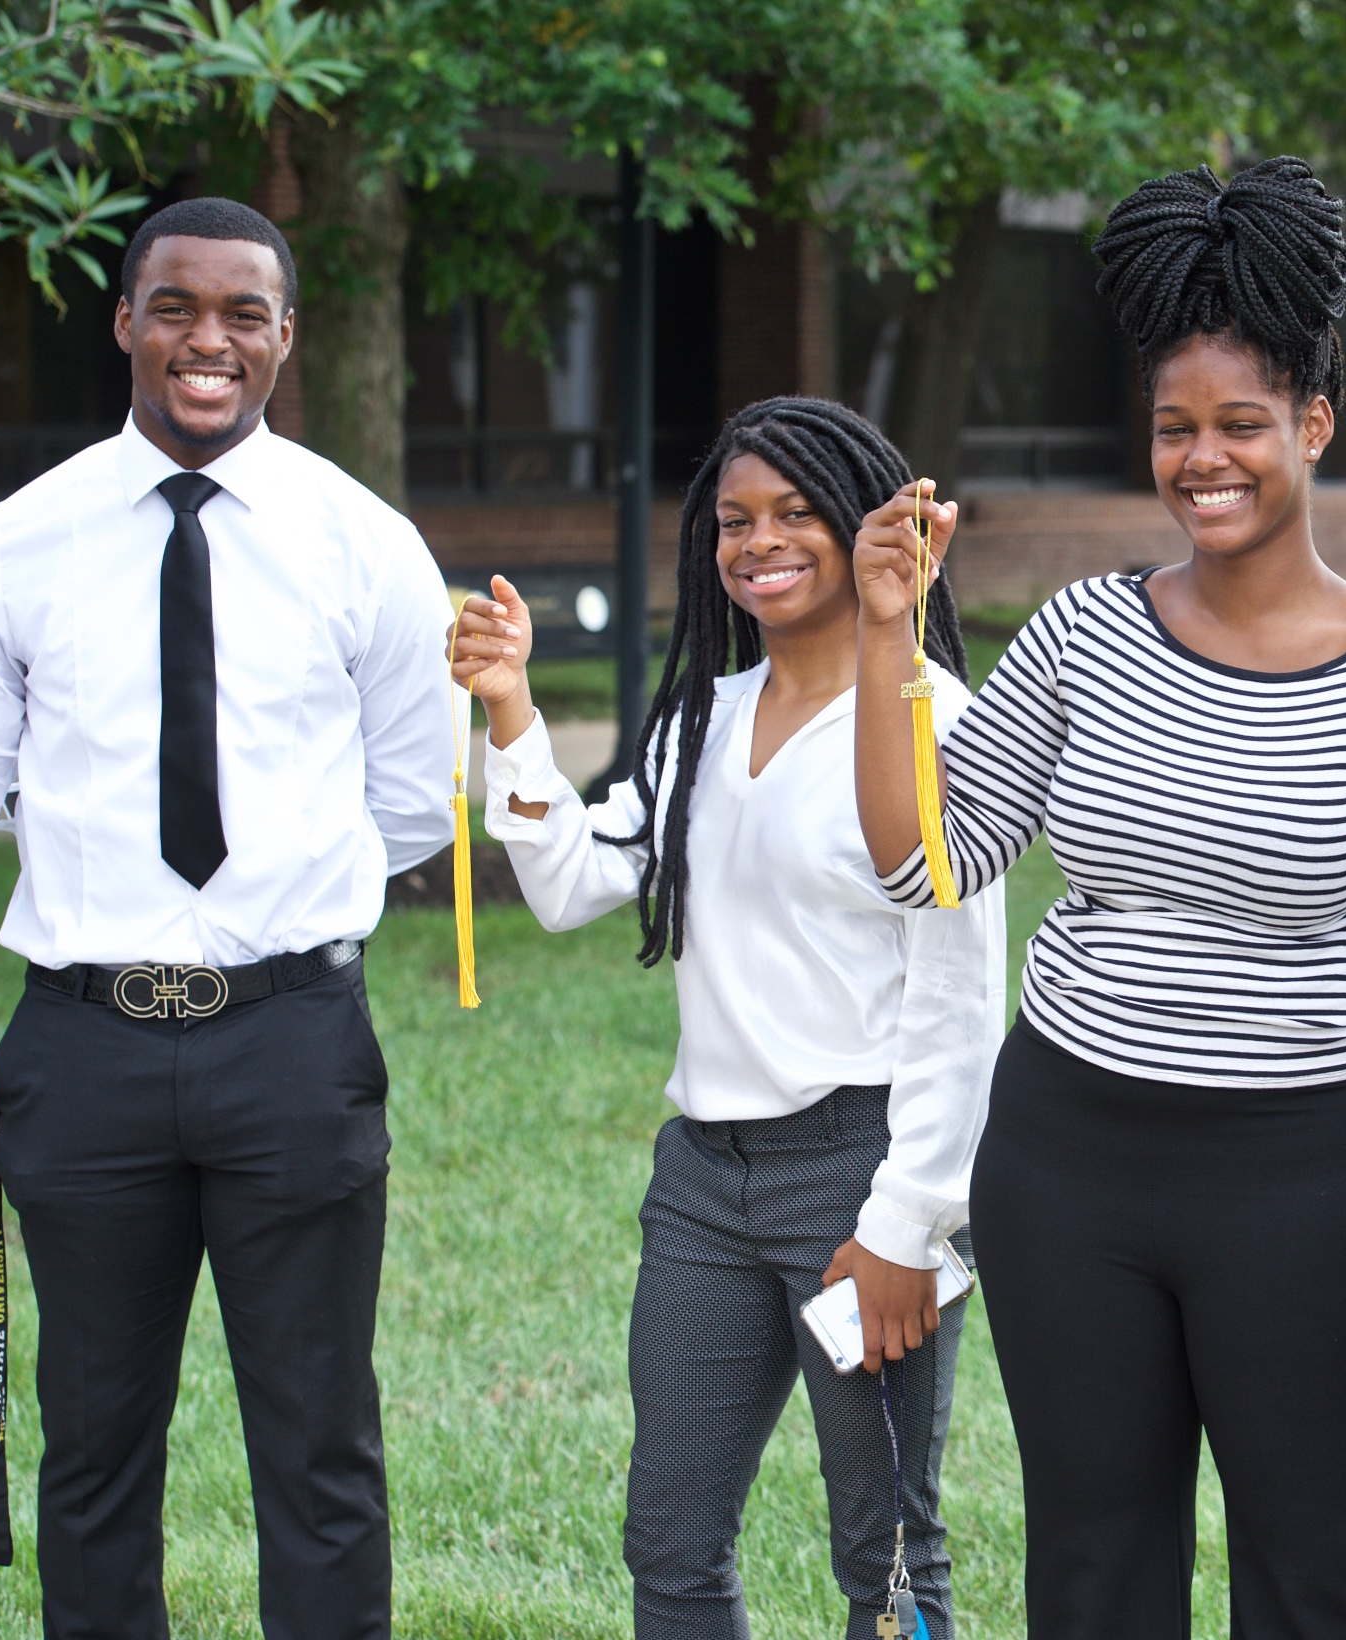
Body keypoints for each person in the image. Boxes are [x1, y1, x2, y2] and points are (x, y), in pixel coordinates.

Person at [844, 158, 1346, 1640]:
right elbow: (925, 861)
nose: (1205, 460)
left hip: (1314, 1192)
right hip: (1068, 1169)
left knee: (1325, 1583)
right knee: (1092, 1578)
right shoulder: (1083, 631)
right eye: (1174, 429)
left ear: (1316, 425)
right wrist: (891, 638)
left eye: (1244, 426)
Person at [0, 197, 456, 1638]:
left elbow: (417, 799)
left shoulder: (362, 543)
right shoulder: (24, 539)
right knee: (95, 1447)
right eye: (176, 306)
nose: (209, 340)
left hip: (292, 1045)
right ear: (125, 321)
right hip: (86, 1051)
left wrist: (282, 908)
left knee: (319, 1445)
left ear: (285, 339)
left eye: (245, 313)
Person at [453, 397, 1004, 1640]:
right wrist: (509, 710)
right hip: (704, 1181)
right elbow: (571, 884)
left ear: (866, 526)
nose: (759, 542)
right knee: (670, 1535)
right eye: (734, 520)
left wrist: (910, 1222)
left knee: (890, 1552)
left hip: (859, 1180)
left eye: (796, 513)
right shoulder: (702, 714)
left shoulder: (936, 718)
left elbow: (963, 996)